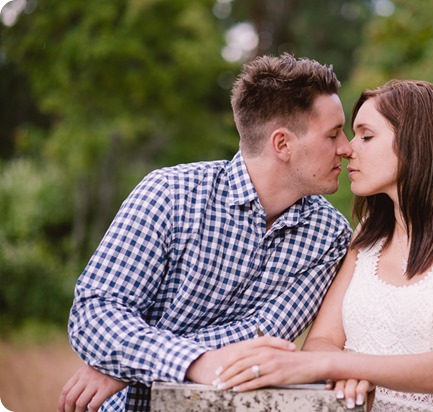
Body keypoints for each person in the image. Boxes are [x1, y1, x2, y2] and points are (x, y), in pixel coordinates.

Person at [57, 53, 354, 412]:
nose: (347, 148)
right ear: (282, 144)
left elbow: (266, 335)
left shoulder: (330, 234)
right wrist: (192, 362)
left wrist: (132, 364)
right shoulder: (169, 193)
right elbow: (95, 313)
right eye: (334, 133)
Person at [212, 80, 433, 412]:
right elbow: (321, 341)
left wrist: (339, 366)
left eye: (366, 136)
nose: (347, 149)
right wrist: (346, 369)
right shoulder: (365, 239)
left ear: (417, 143)